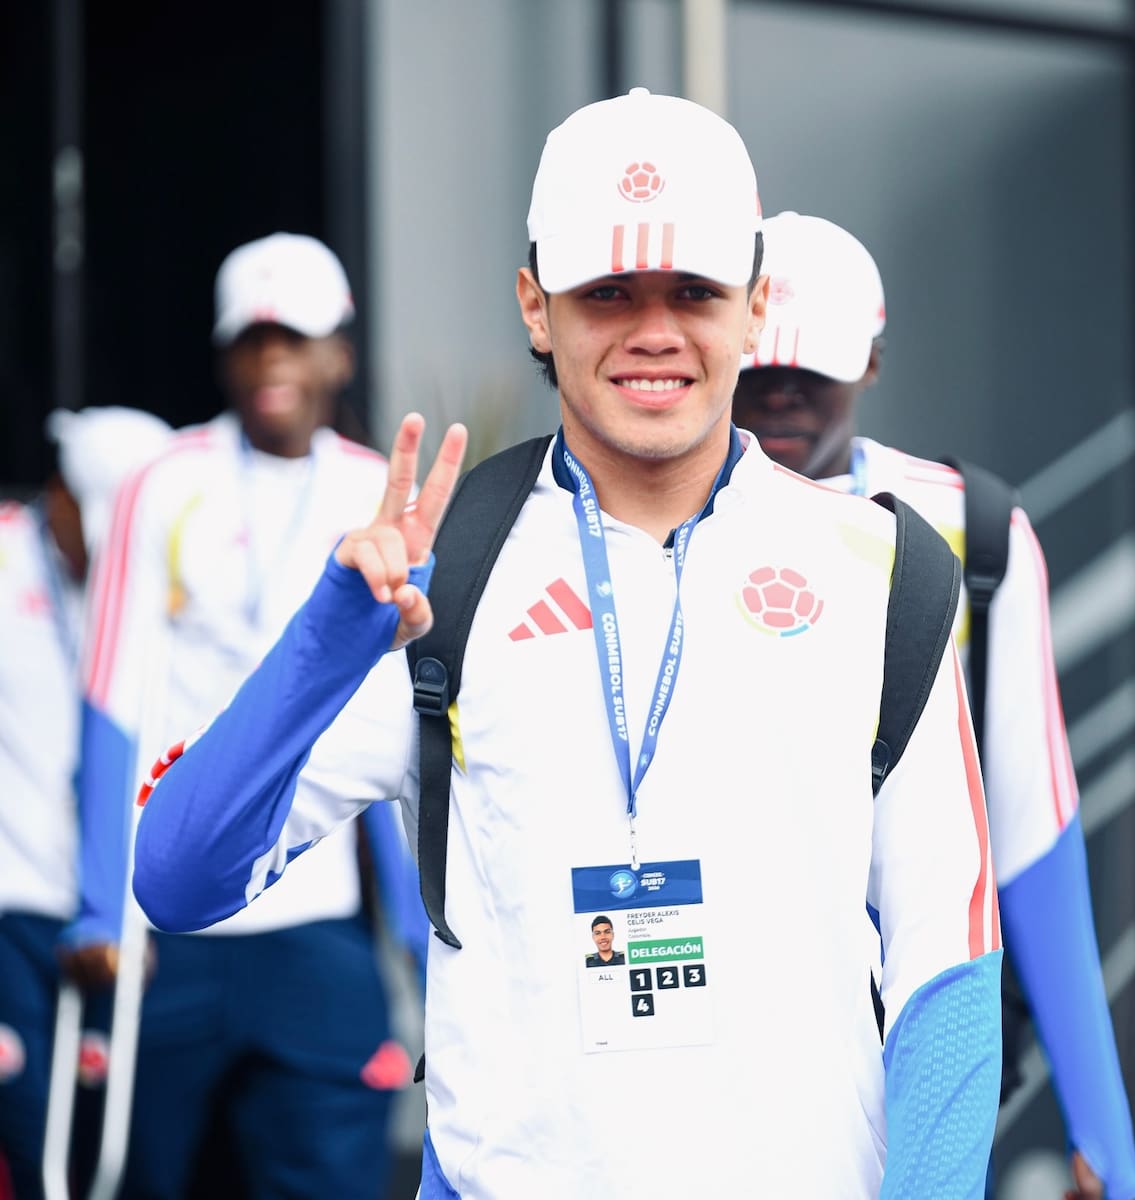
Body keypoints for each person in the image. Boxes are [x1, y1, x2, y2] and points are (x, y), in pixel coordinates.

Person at [130, 90, 1003, 1197]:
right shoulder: (443, 575)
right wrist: (327, 643)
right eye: (607, 293)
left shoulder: (885, 571)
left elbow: (947, 973)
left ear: (756, 306)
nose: (654, 331)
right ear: (537, 307)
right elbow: (179, 877)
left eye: (694, 290)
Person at [733, 211, 1135, 1200]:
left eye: (812, 367)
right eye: (760, 365)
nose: (780, 392)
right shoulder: (643, 533)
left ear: (872, 361)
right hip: (719, 1032)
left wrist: (1104, 1132)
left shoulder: (972, 530)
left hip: (918, 1022)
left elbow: (1031, 831)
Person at [58, 234, 423, 1200]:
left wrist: (419, 930)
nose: (272, 363)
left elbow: (396, 726)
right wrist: (103, 905)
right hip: (170, 924)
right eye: (252, 340)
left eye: (294, 339)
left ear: (339, 353)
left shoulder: (375, 486)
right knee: (147, 1180)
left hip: (318, 925)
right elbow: (111, 699)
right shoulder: (164, 479)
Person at [0, 406, 172, 1200]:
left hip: (113, 916)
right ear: (61, 492)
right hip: (12, 903)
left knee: (113, 1145)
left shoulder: (152, 587)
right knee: (31, 1140)